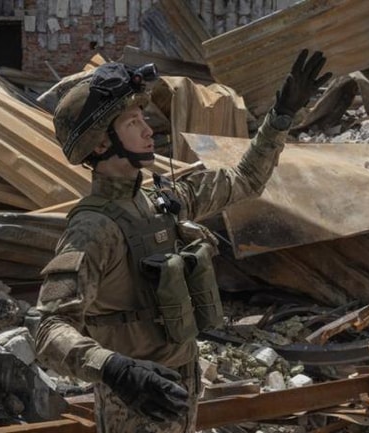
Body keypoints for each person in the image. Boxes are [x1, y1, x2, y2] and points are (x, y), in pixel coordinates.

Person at [35, 49, 331, 432]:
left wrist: (280, 117)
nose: (147, 130)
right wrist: (116, 370)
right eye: (132, 122)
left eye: (143, 118)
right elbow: (49, 330)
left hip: (181, 387)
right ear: (101, 144)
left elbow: (245, 179)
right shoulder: (93, 229)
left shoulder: (161, 201)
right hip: (136, 404)